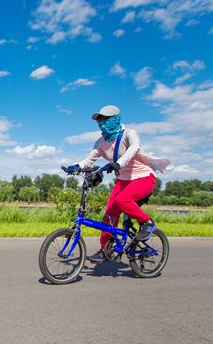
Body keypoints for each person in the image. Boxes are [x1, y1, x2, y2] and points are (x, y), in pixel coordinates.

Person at [64, 105, 171, 263]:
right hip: (123, 181)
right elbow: (89, 160)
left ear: (115, 119)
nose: (101, 123)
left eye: (105, 119)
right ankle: (105, 250)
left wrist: (119, 163)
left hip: (143, 178)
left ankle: (147, 223)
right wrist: (76, 166)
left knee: (122, 200)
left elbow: (134, 148)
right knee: (109, 215)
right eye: (99, 120)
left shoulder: (128, 134)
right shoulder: (101, 142)